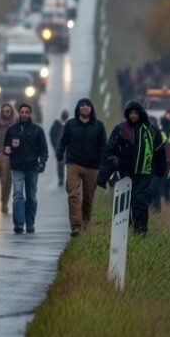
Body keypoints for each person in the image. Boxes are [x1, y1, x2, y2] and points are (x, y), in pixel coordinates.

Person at [98, 100, 166, 234]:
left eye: (136, 113)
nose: (133, 116)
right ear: (127, 114)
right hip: (124, 174)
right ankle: (123, 234)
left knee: (140, 204)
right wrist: (104, 174)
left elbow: (160, 154)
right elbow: (109, 150)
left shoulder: (152, 132)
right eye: (131, 113)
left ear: (141, 114)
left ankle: (141, 233)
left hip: (144, 175)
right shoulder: (120, 129)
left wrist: (159, 175)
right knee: (124, 206)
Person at [58, 97, 106, 236]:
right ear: (78, 108)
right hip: (74, 164)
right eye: (82, 105)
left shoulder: (98, 126)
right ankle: (76, 226)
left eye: (87, 105)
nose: (85, 107)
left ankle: (85, 223)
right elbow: (63, 141)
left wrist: (104, 164)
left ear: (91, 109)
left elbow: (103, 146)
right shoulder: (70, 124)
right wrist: (60, 153)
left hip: (92, 166)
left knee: (88, 198)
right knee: (73, 194)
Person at [4, 103, 49, 234]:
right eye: (22, 112)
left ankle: (30, 223)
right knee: (18, 194)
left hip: (32, 167)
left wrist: (43, 161)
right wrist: (7, 150)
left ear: (30, 114)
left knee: (31, 196)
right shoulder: (12, 130)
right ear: (18, 114)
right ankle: (18, 223)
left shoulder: (37, 130)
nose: (24, 114)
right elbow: (6, 146)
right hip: (17, 167)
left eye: (26, 112)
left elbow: (43, 148)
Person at [48, 109, 68, 187]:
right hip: (59, 148)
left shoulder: (68, 124)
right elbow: (51, 134)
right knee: (60, 163)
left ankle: (66, 179)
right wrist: (54, 145)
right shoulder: (56, 123)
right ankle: (61, 179)